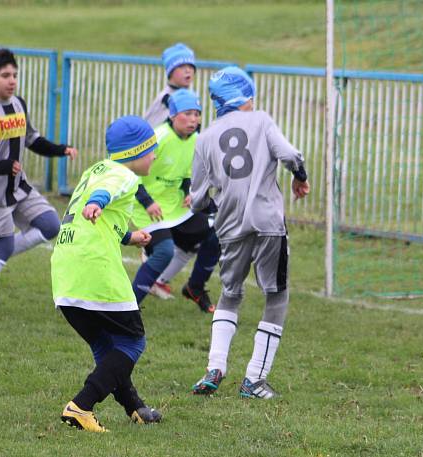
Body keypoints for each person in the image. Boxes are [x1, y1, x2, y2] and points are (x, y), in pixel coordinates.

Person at [189, 67, 310, 399]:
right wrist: (300, 175)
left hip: (230, 225)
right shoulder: (260, 120)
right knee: (276, 295)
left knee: (230, 294)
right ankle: (254, 378)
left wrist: (212, 204)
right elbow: (290, 154)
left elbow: (197, 198)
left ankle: (215, 366)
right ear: (246, 97)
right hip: (268, 222)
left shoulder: (205, 137)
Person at [52, 116, 162, 432]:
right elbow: (106, 193)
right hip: (94, 271)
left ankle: (135, 408)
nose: (154, 155)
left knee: (104, 346)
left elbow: (102, 216)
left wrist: (128, 237)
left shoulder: (95, 169)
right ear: (136, 152)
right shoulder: (123, 175)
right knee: (132, 342)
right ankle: (81, 406)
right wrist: (97, 203)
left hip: (65, 270)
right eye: (151, 149)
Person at [0, 48, 77, 322]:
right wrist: (3, 166)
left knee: (51, 225)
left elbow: (31, 138)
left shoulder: (18, 104)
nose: (12, 81)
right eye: (5, 75)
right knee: (4, 247)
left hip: (18, 186)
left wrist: (60, 149)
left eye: (15, 75)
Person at [130, 89, 220, 312]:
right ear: (172, 115)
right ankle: (129, 306)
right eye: (187, 113)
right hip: (147, 209)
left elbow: (185, 175)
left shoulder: (197, 140)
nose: (193, 119)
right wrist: (148, 201)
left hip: (177, 207)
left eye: (197, 114)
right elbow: (130, 173)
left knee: (216, 234)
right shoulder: (157, 138)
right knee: (164, 251)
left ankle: (195, 288)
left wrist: (191, 191)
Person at [143, 43, 196, 127]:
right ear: (170, 72)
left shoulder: (192, 96)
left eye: (191, 66)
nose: (188, 70)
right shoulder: (166, 99)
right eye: (182, 66)